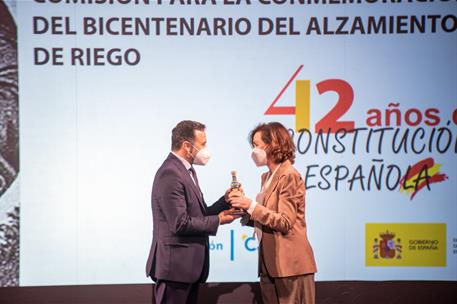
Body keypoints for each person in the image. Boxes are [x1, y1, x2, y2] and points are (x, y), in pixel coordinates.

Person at [145, 120, 240, 304]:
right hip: (175, 269)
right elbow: (179, 223)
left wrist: (225, 200)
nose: (206, 150)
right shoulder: (170, 173)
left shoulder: (187, 171)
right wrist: (218, 220)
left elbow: (199, 214)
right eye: (203, 144)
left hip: (187, 269)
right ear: (187, 146)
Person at [229, 122, 317, 304]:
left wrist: (251, 205)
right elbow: (267, 217)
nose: (253, 150)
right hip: (269, 264)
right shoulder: (267, 177)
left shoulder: (289, 175)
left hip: (291, 266)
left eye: (257, 144)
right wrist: (244, 210)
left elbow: (285, 222)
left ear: (273, 144)